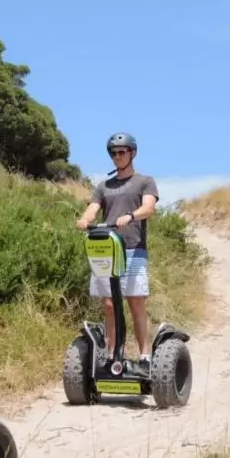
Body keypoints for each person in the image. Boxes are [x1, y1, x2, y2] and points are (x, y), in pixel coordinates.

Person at [75, 132, 159, 373]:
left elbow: (148, 207)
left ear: (132, 153)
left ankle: (144, 356)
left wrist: (131, 216)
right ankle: (112, 355)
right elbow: (93, 208)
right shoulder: (104, 186)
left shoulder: (145, 181)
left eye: (122, 152)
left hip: (133, 248)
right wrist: (84, 219)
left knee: (135, 303)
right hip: (106, 250)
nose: (117, 156)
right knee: (110, 304)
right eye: (113, 153)